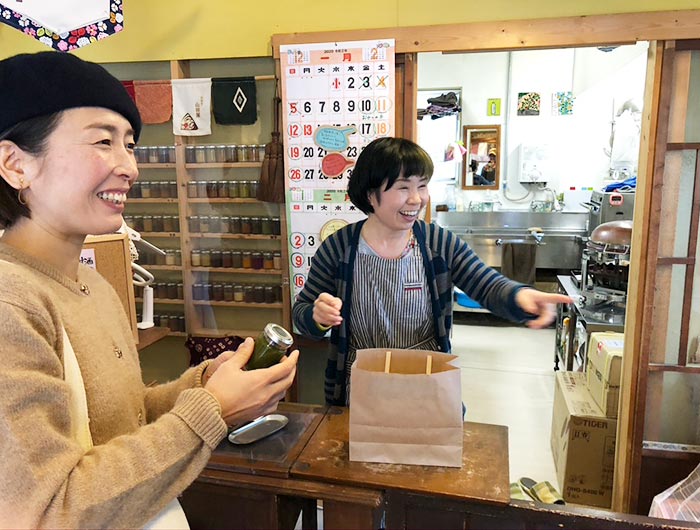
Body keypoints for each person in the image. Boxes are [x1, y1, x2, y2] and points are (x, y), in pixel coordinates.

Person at [0, 51, 298, 529]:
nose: (129, 168)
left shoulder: (92, 285)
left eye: (131, 145)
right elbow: (46, 509)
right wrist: (213, 410)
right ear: (16, 164)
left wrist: (203, 385)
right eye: (103, 141)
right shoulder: (11, 302)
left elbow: (121, 419)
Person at [292, 137, 570, 406]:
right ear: (370, 195)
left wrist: (520, 296)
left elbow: (485, 283)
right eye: (403, 188)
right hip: (358, 388)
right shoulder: (339, 248)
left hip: (427, 383)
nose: (417, 199)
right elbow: (301, 312)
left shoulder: (439, 243)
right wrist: (318, 318)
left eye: (422, 186)